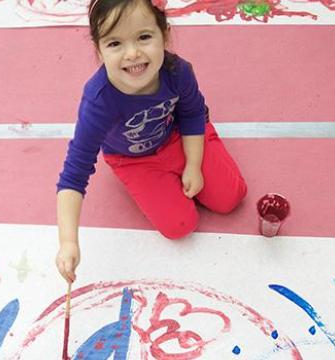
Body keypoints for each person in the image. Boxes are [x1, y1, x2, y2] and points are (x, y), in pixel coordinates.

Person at [55, 0, 248, 284]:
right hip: (132, 160)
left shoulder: (178, 71)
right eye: (114, 43)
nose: (132, 53)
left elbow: (192, 113)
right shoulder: (99, 102)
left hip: (177, 136)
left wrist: (193, 165)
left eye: (144, 37)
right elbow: (74, 174)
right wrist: (68, 242)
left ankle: (203, 149)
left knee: (231, 196)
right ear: (98, 50)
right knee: (180, 225)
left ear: (164, 35)